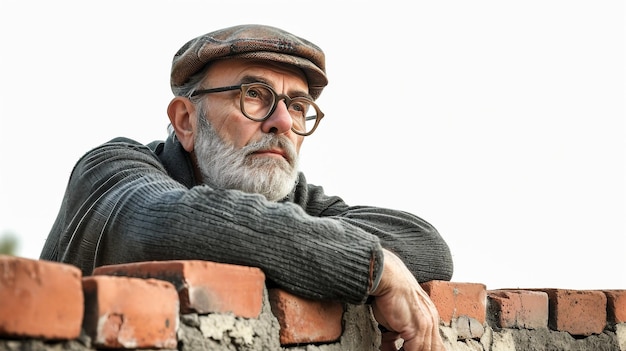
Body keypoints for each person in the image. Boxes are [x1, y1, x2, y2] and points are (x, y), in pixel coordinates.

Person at [40, 24, 453, 351]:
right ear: (186, 120)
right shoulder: (110, 170)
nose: (284, 122)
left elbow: (426, 246)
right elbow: (166, 224)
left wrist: (375, 259)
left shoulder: (291, 200)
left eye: (297, 105)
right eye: (254, 94)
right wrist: (373, 265)